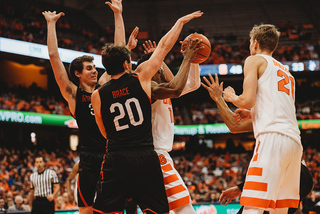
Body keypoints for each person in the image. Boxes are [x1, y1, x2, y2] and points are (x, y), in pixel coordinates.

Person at [91, 10, 203, 214]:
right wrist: (179, 22)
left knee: (109, 210)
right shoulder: (142, 81)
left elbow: (104, 132)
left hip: (116, 155)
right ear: (127, 64)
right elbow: (164, 47)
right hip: (147, 154)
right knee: (163, 209)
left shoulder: (97, 94)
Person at [42, 0, 138, 213]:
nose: (95, 70)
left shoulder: (104, 86)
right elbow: (54, 57)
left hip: (112, 155)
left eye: (95, 67)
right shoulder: (73, 94)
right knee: (85, 211)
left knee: (118, 209)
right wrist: (51, 24)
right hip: (88, 158)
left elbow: (120, 51)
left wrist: (118, 14)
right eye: (89, 68)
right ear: (77, 73)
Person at [138, 38, 201, 214]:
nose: (162, 70)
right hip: (155, 155)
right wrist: (187, 57)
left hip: (156, 154)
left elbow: (193, 84)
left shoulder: (162, 88)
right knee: (184, 208)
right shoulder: (149, 89)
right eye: (159, 68)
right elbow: (176, 87)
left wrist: (194, 59)